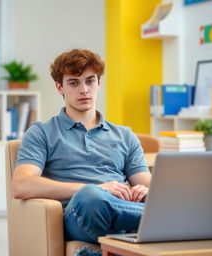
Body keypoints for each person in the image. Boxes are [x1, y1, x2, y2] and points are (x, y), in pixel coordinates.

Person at [12, 49, 151, 244]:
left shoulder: (124, 135)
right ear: (60, 88)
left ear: (99, 83)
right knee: (90, 195)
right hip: (78, 214)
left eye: (90, 81)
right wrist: (96, 187)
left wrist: (146, 191)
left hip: (121, 209)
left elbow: (146, 183)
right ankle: (164, 220)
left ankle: (124, 234)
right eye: (74, 82)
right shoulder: (41, 132)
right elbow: (22, 185)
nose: (84, 89)